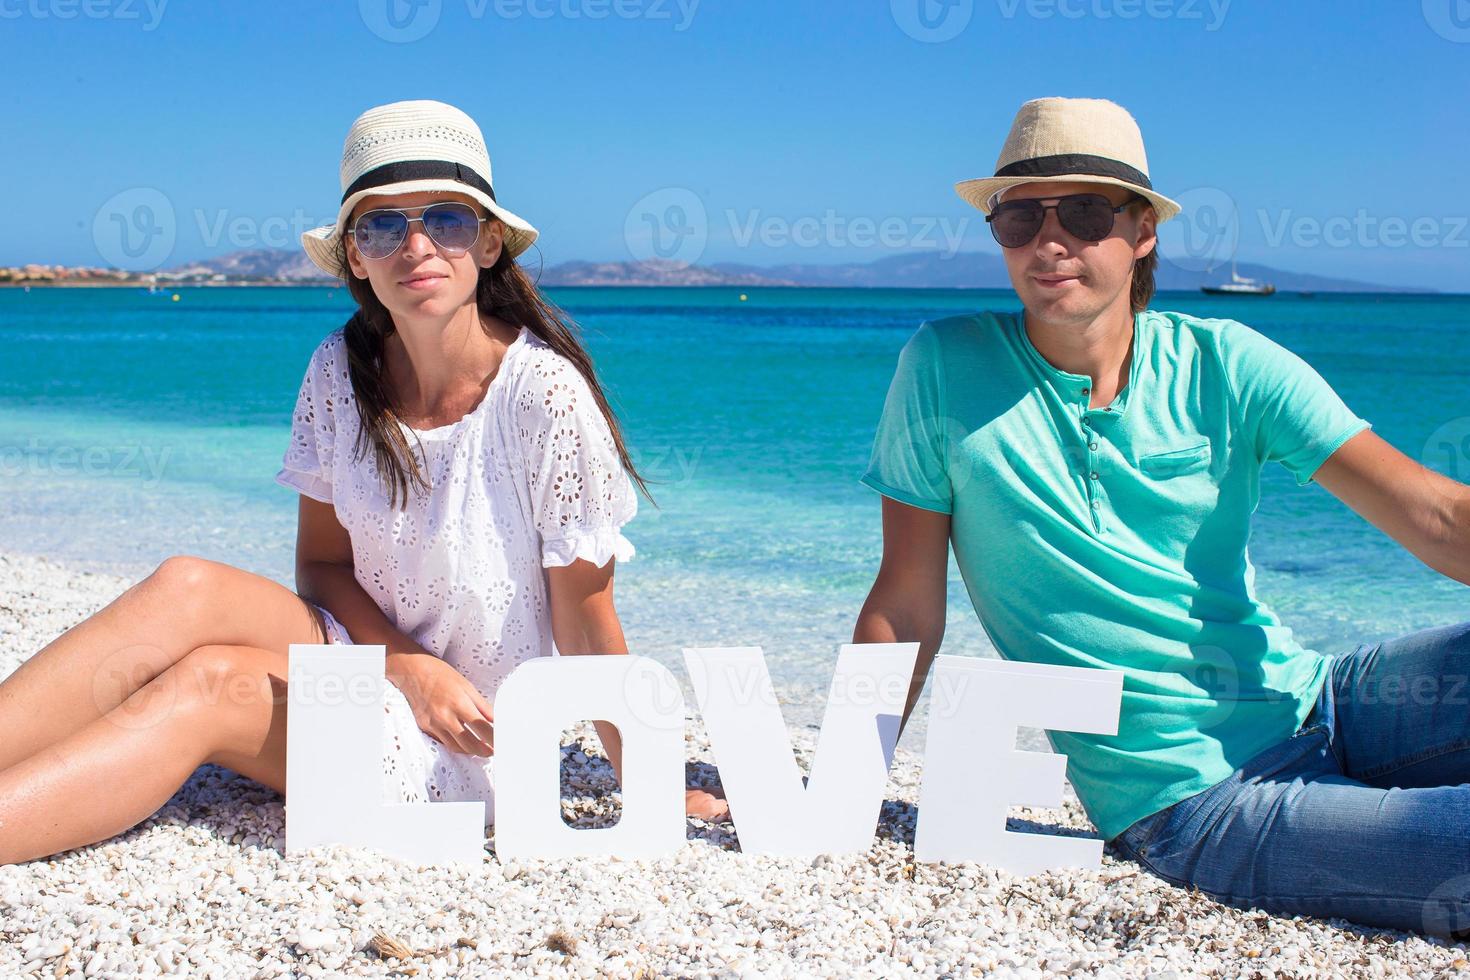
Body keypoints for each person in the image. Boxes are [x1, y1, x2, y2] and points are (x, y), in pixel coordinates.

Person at [0, 99, 726, 866]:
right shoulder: (337, 373)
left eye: (445, 220)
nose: (416, 246)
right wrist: (403, 666)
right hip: (373, 658)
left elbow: (585, 624)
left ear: (486, 243)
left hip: (474, 736)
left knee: (211, 683)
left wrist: (654, 788)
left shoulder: (544, 397)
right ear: (355, 254)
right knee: (186, 585)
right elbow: (321, 568)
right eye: (383, 226)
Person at [854, 96, 1470, 935]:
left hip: (1322, 700)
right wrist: (843, 792)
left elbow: (1435, 518)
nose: (1050, 241)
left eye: (1084, 212)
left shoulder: (1230, 362)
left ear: (1143, 230)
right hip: (1196, 802)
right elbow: (906, 602)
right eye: (1020, 217)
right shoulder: (943, 367)